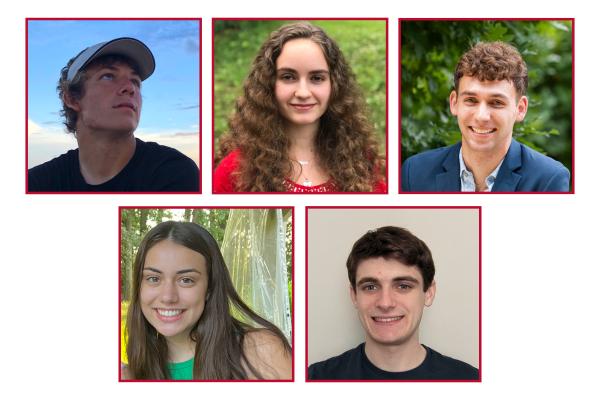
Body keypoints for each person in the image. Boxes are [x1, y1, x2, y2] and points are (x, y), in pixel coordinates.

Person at [214, 22, 385, 193]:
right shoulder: (236, 170)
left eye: (317, 78)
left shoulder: (364, 165)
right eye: (288, 77)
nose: (303, 93)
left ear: (334, 85)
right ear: (268, 84)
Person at [122, 221, 292, 380]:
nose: (168, 297)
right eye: (153, 278)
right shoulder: (132, 374)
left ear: (209, 288)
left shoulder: (261, 352)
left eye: (186, 280)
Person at [28, 37, 199, 192]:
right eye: (108, 76)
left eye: (135, 81)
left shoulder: (174, 172)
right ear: (72, 98)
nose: (130, 88)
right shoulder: (37, 184)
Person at [308, 226, 479, 380]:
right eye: (370, 287)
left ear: (429, 293)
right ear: (354, 295)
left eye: (403, 286)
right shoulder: (314, 379)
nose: (385, 303)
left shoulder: (471, 381)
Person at [401, 41, 570, 192]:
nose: (482, 116)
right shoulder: (415, 172)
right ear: (454, 103)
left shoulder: (548, 180)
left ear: (520, 109)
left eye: (496, 102)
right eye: (471, 100)